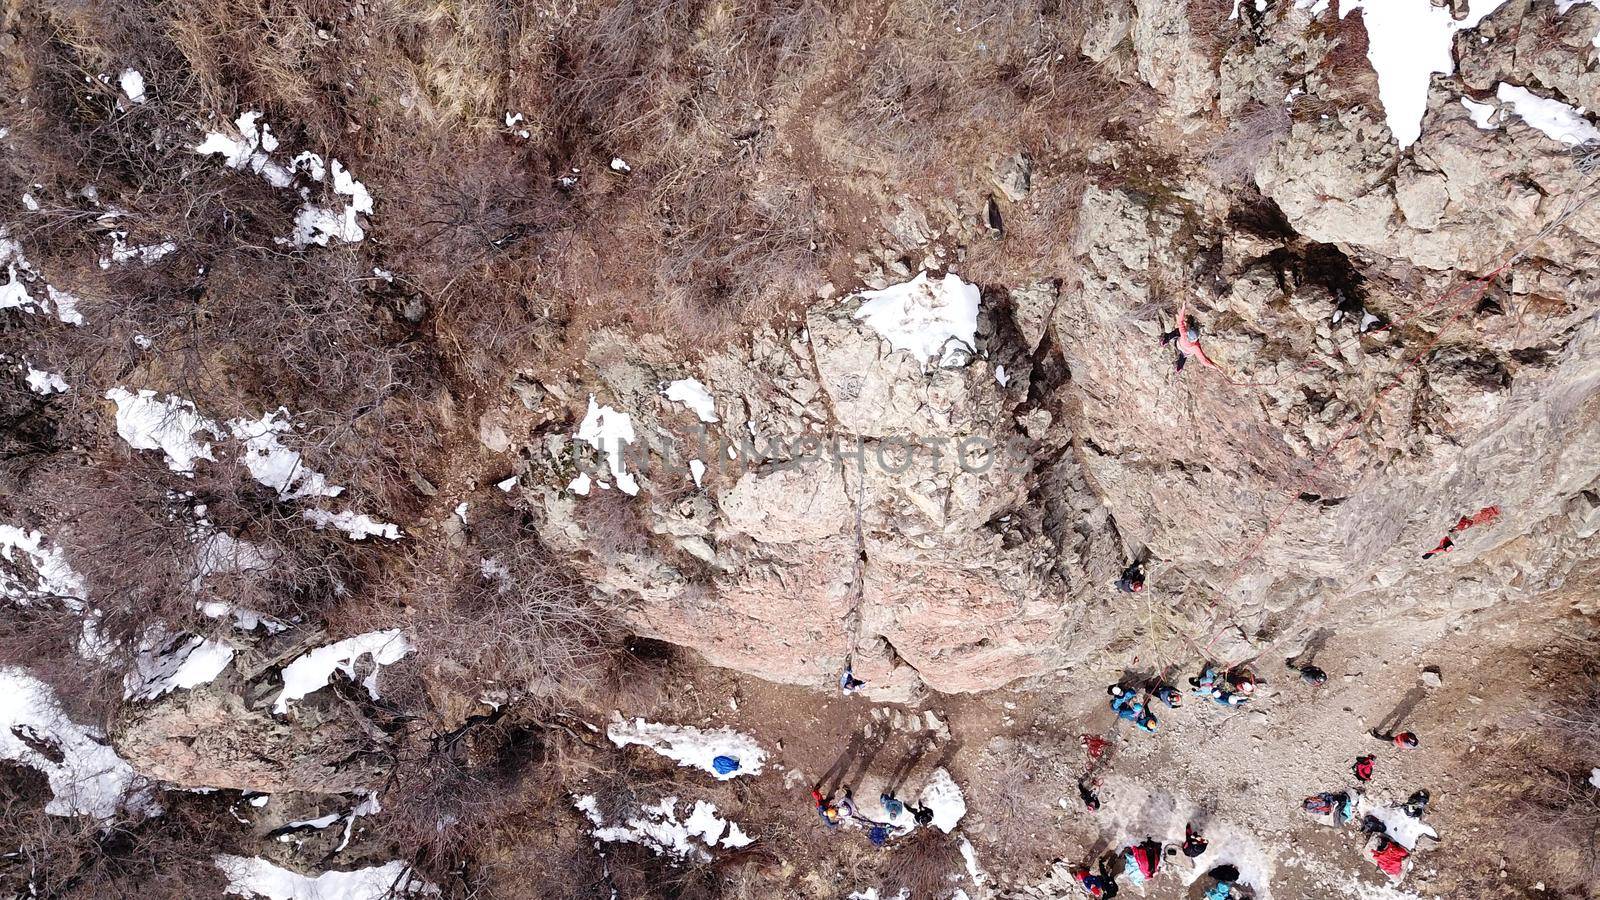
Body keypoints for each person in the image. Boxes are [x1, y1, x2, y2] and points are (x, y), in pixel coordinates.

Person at [1161, 303, 1218, 373]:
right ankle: (1179, 367)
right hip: (1186, 352)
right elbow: (1203, 360)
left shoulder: (1184, 334)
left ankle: (1166, 340)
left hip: (1179, 345)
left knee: (1177, 332)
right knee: (1184, 356)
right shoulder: (1195, 347)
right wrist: (1214, 367)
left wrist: (1183, 308)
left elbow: (1180, 321)